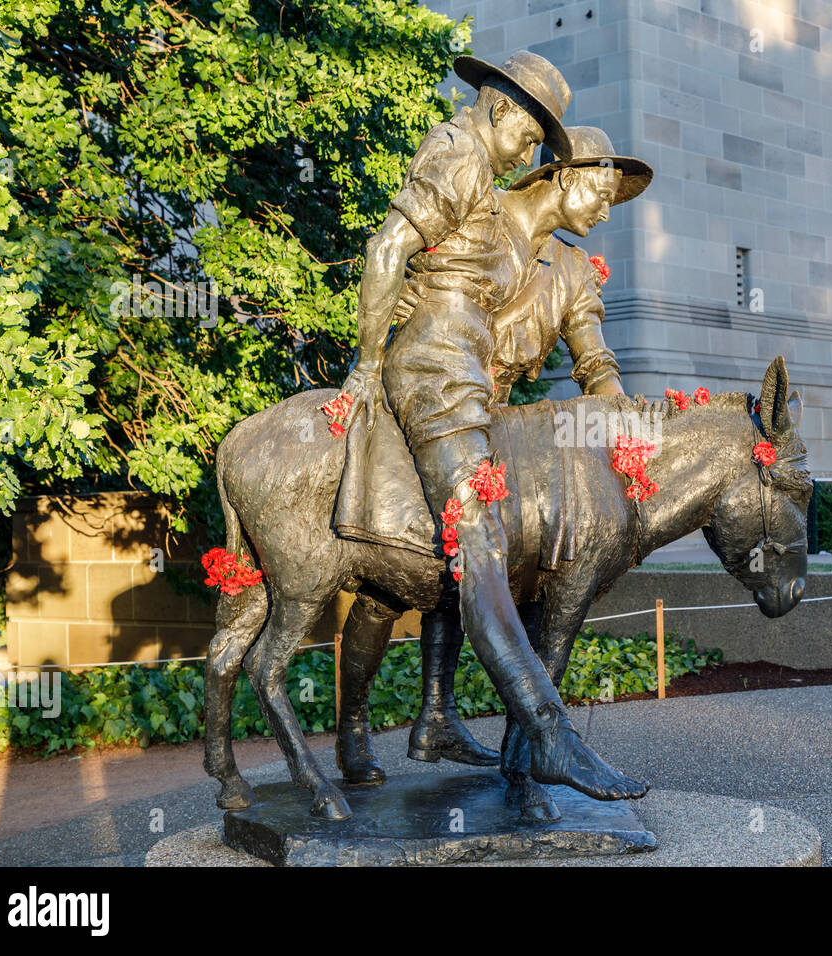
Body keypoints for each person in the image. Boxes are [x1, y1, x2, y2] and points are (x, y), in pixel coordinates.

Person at [336, 53, 647, 800]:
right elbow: (408, 261)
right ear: (561, 175)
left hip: (489, 408)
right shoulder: (480, 188)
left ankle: (437, 715)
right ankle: (538, 734)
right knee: (397, 576)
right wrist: (374, 356)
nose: (605, 209)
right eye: (598, 190)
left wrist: (621, 416)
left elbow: (591, 356)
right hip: (446, 390)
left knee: (476, 563)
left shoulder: (572, 271)